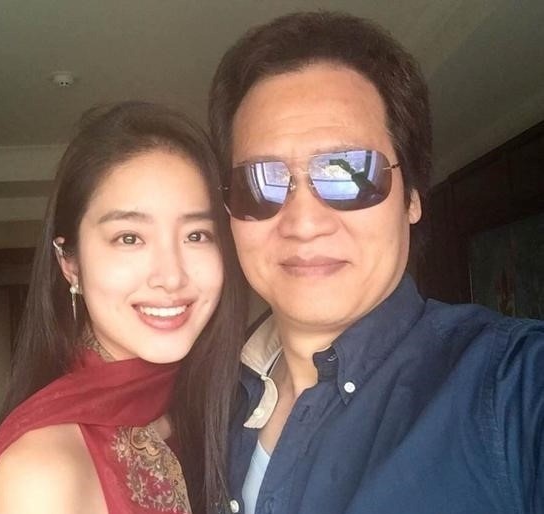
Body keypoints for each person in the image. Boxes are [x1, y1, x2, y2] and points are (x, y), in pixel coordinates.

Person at [208, 11, 544, 514]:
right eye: (261, 182)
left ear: (412, 197)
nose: (303, 222)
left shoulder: (512, 387)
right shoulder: (210, 396)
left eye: (349, 172)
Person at [0, 101, 246, 514]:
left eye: (197, 235)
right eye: (129, 238)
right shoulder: (41, 472)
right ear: (70, 263)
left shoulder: (227, 405)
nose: (171, 276)